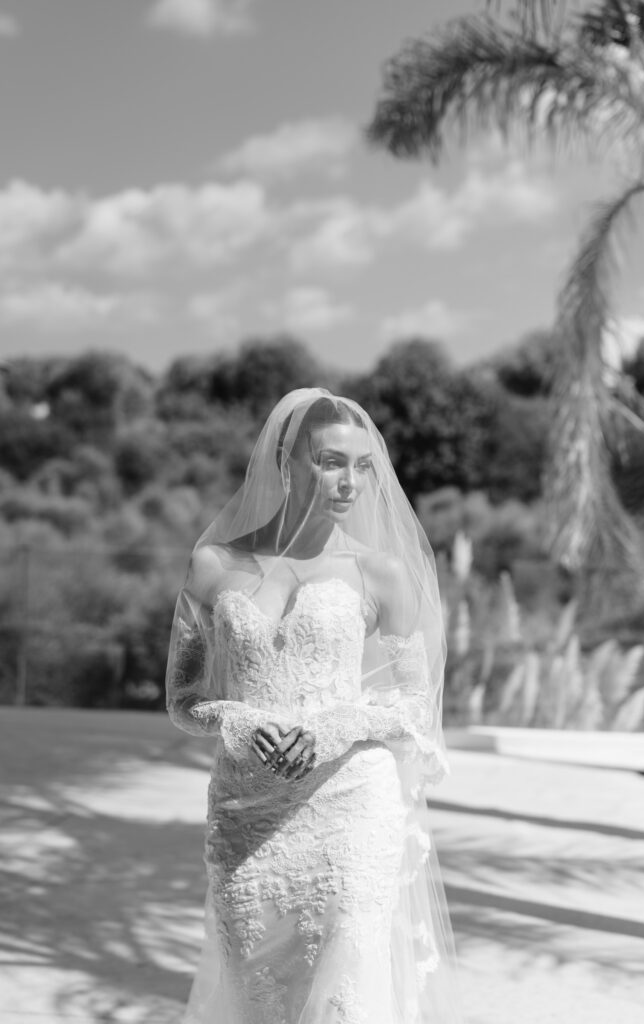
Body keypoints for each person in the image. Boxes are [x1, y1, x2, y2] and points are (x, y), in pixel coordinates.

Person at [165, 388, 461, 1024]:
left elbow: (414, 700)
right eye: (330, 461)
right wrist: (237, 720)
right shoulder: (215, 564)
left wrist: (337, 727)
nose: (349, 481)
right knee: (256, 997)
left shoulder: (381, 572)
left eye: (362, 466)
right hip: (247, 813)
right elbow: (183, 701)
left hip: (353, 805)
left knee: (347, 999)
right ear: (284, 460)